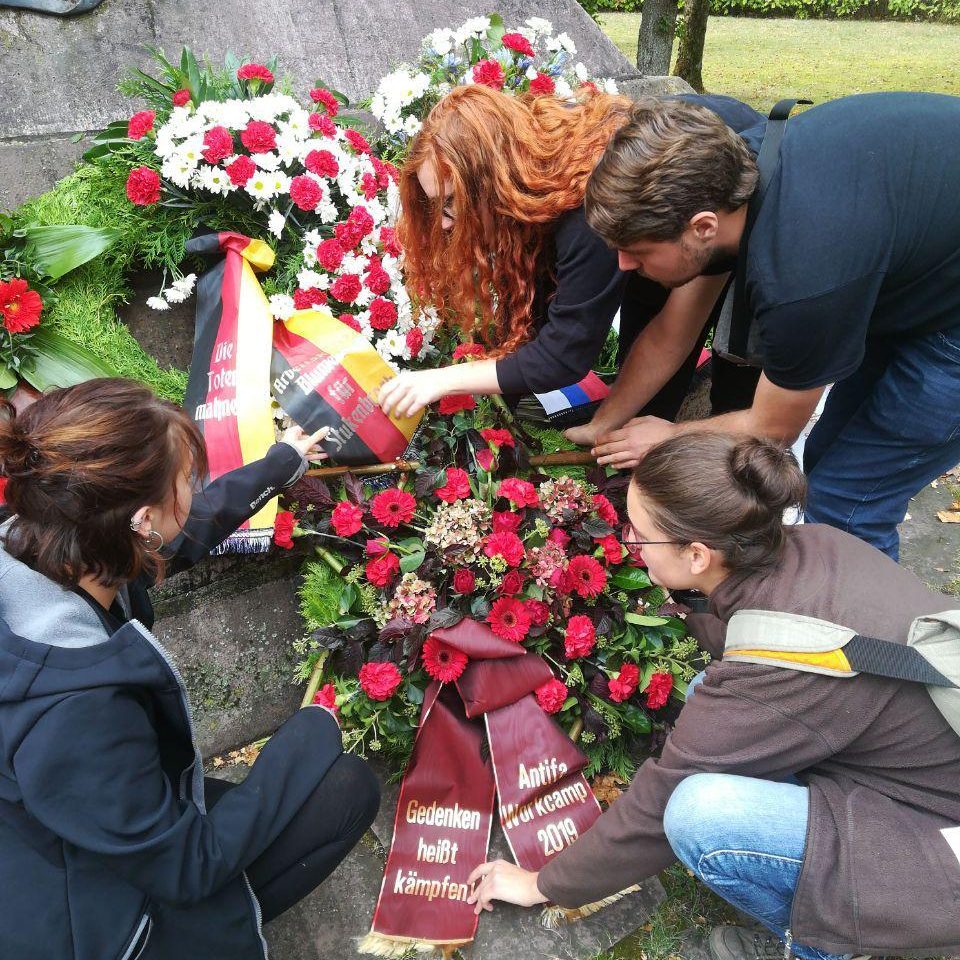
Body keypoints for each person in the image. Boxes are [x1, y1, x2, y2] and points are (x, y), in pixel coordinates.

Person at [466, 432, 960, 960]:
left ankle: (824, 946)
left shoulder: (775, 678)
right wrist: (685, 616)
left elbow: (654, 808)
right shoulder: (822, 545)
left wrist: (540, 884)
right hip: (921, 762)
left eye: (639, 535)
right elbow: (763, 632)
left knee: (699, 814)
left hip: (936, 843)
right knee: (707, 689)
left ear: (697, 554)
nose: (627, 539)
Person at [0, 379, 380, 960]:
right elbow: (188, 865)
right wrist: (310, 729)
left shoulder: (40, 533)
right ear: (144, 520)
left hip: (72, 813)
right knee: (346, 790)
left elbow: (186, 532)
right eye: (186, 481)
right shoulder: (76, 713)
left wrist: (283, 462)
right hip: (80, 915)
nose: (193, 490)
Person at [571, 93, 960, 560]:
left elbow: (773, 429)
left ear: (702, 227)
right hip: (922, 259)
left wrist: (670, 435)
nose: (624, 263)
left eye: (638, 249)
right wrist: (603, 424)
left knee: (847, 506)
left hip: (946, 328)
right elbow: (670, 333)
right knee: (830, 456)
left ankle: (863, 632)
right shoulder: (733, 176)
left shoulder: (801, 280)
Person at [377, 84, 761, 422]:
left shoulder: (586, 211)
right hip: (670, 200)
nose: (444, 224)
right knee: (647, 342)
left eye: (450, 205)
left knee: (731, 364)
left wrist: (442, 380)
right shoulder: (536, 171)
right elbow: (549, 319)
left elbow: (565, 354)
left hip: (720, 189)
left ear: (496, 186)